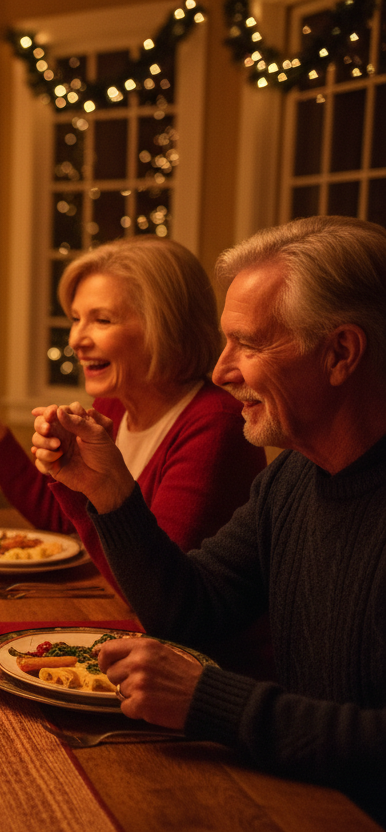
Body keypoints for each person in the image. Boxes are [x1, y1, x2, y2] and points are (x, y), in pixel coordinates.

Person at [30, 216, 386, 823]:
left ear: (340, 352)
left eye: (249, 344)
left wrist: (213, 702)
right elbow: (188, 609)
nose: (222, 371)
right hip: (294, 793)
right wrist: (109, 490)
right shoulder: (293, 479)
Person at [0, 237, 265, 593]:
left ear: (168, 326)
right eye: (75, 319)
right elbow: (66, 522)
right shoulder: (114, 407)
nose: (76, 340)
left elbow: (154, 592)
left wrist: (93, 483)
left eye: (102, 320)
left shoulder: (214, 424)